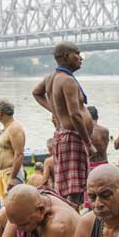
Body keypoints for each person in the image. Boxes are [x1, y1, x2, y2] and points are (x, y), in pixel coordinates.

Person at [32, 42, 93, 206]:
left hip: (63, 135)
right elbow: (75, 115)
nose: (81, 58)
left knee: (71, 188)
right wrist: (88, 143)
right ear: (66, 56)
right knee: (73, 191)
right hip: (73, 138)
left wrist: (55, 111)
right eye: (77, 54)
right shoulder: (67, 81)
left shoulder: (51, 77)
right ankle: (71, 225)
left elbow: (36, 93)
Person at [0, 99, 26, 213]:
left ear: (0, 111)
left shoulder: (15, 128)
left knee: (12, 211)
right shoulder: (6, 129)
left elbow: (19, 154)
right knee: (4, 211)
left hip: (10, 175)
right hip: (3, 176)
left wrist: (12, 178)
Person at [84, 106, 110, 208]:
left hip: (91, 165)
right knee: (104, 193)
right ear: (97, 117)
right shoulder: (105, 131)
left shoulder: (85, 131)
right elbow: (105, 148)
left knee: (92, 196)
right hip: (104, 163)